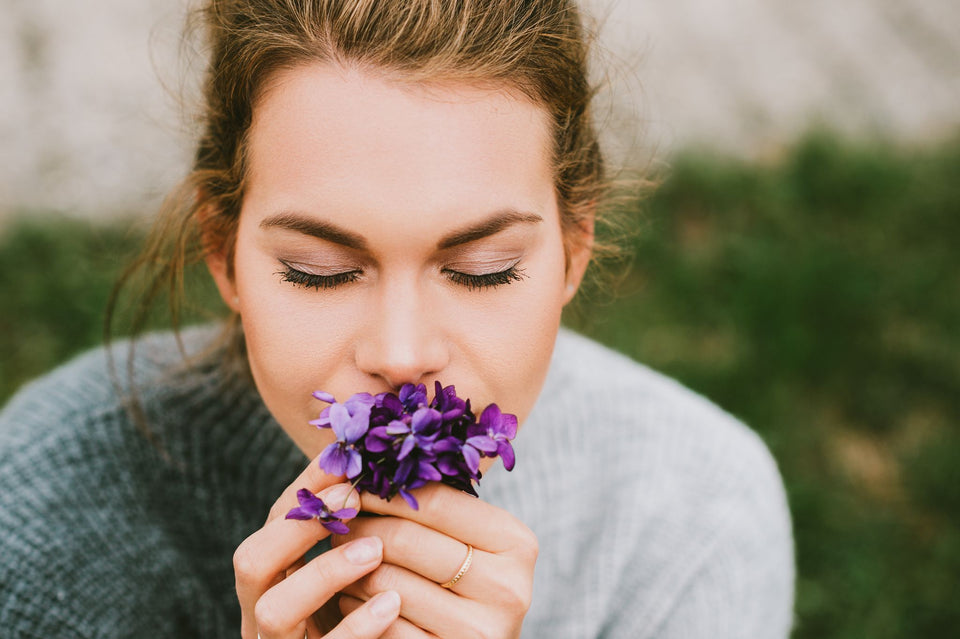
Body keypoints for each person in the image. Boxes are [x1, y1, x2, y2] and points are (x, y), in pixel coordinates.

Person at [0, 1, 794, 637]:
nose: (403, 354)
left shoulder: (695, 512)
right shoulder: (36, 515)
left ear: (573, 251)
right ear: (223, 251)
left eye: (483, 270)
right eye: (322, 271)